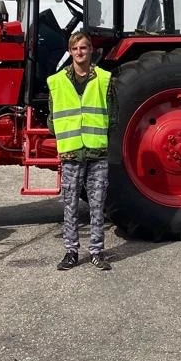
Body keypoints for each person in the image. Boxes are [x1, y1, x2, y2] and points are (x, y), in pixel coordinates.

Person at [48, 30, 113, 271]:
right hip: (71, 153)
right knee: (70, 204)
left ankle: (97, 251)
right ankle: (71, 252)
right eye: (75, 48)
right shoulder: (57, 82)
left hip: (97, 152)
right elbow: (52, 118)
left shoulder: (105, 79)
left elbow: (113, 116)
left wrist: (101, 139)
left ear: (91, 50)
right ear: (70, 51)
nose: (79, 52)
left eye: (83, 48)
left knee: (97, 204)